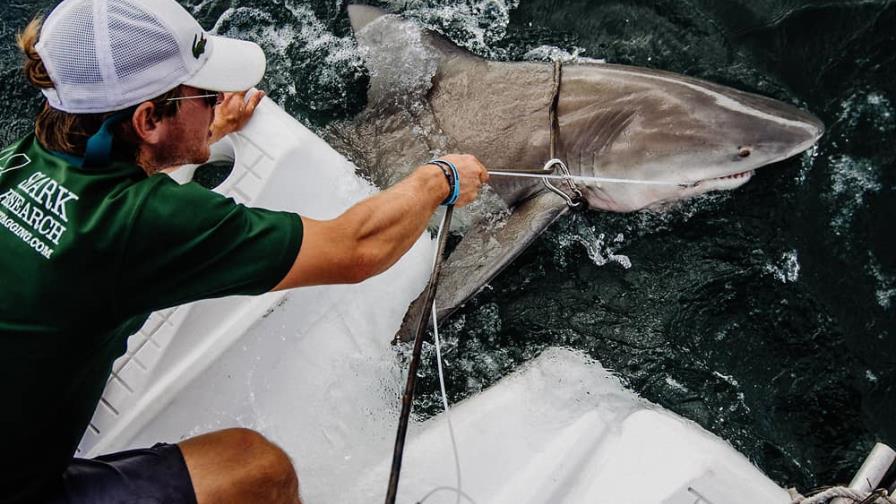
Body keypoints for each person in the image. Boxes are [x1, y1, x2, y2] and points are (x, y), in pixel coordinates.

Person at [0, 0, 488, 502]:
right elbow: (357, 249)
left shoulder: (17, 160)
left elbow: (103, 194)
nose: (215, 103)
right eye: (205, 96)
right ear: (147, 120)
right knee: (257, 469)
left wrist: (198, 131)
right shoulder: (142, 224)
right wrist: (439, 178)